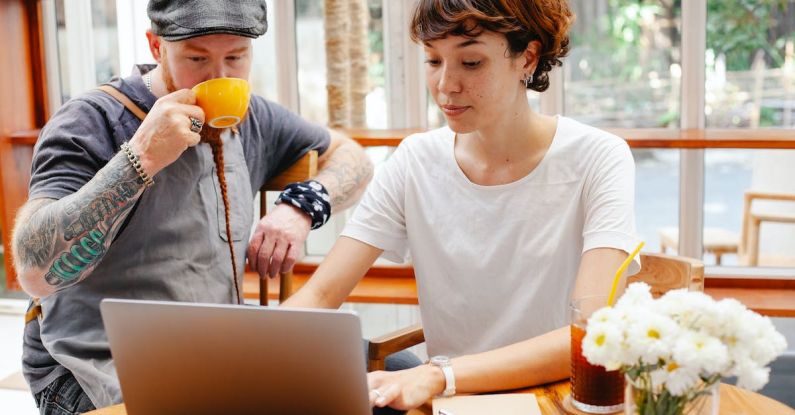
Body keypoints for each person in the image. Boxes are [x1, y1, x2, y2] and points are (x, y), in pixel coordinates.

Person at [10, 1, 376, 413]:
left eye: (236, 57)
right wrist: (141, 159)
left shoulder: (253, 118)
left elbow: (354, 159)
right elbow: (33, 271)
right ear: (156, 47)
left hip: (218, 351)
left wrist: (301, 207)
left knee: (385, 375)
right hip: (93, 366)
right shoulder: (92, 120)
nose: (219, 77)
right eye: (197, 58)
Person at [282, 0, 641, 411]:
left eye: (471, 62)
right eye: (433, 60)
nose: (446, 84)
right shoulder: (415, 160)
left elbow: (593, 330)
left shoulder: (599, 157)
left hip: (555, 400)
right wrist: (247, 351)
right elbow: (322, 294)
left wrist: (440, 375)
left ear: (528, 57)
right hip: (452, 403)